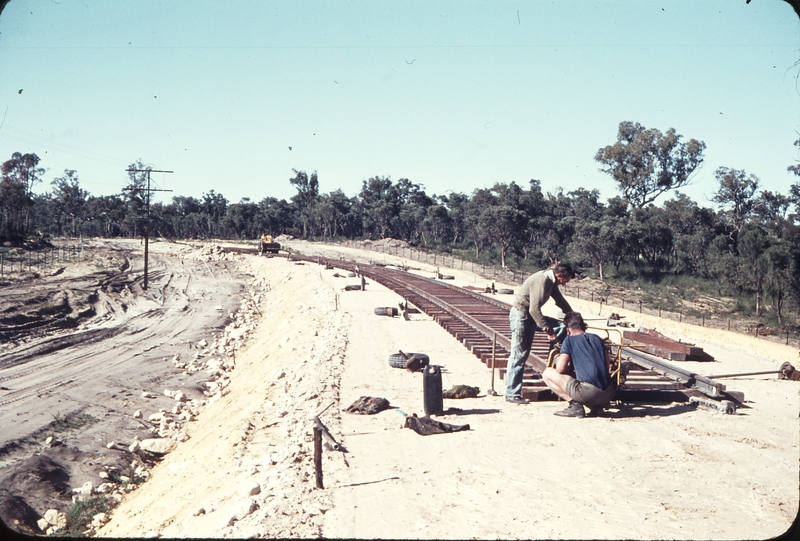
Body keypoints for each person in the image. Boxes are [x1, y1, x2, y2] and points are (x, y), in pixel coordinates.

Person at [505, 263, 575, 404]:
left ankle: (555, 358)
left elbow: (561, 301)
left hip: (530, 317)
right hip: (522, 316)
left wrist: (574, 317)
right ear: (560, 274)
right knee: (519, 355)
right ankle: (512, 394)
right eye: (565, 280)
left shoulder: (551, 282)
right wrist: (548, 331)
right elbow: (534, 310)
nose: (565, 284)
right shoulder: (542, 280)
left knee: (561, 326)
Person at [541, 311, 616, 418]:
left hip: (589, 394)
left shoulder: (569, 340)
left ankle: (575, 406)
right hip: (608, 393)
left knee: (547, 373)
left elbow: (560, 369)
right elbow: (607, 365)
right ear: (583, 326)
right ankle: (597, 407)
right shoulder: (597, 338)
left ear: (567, 330)